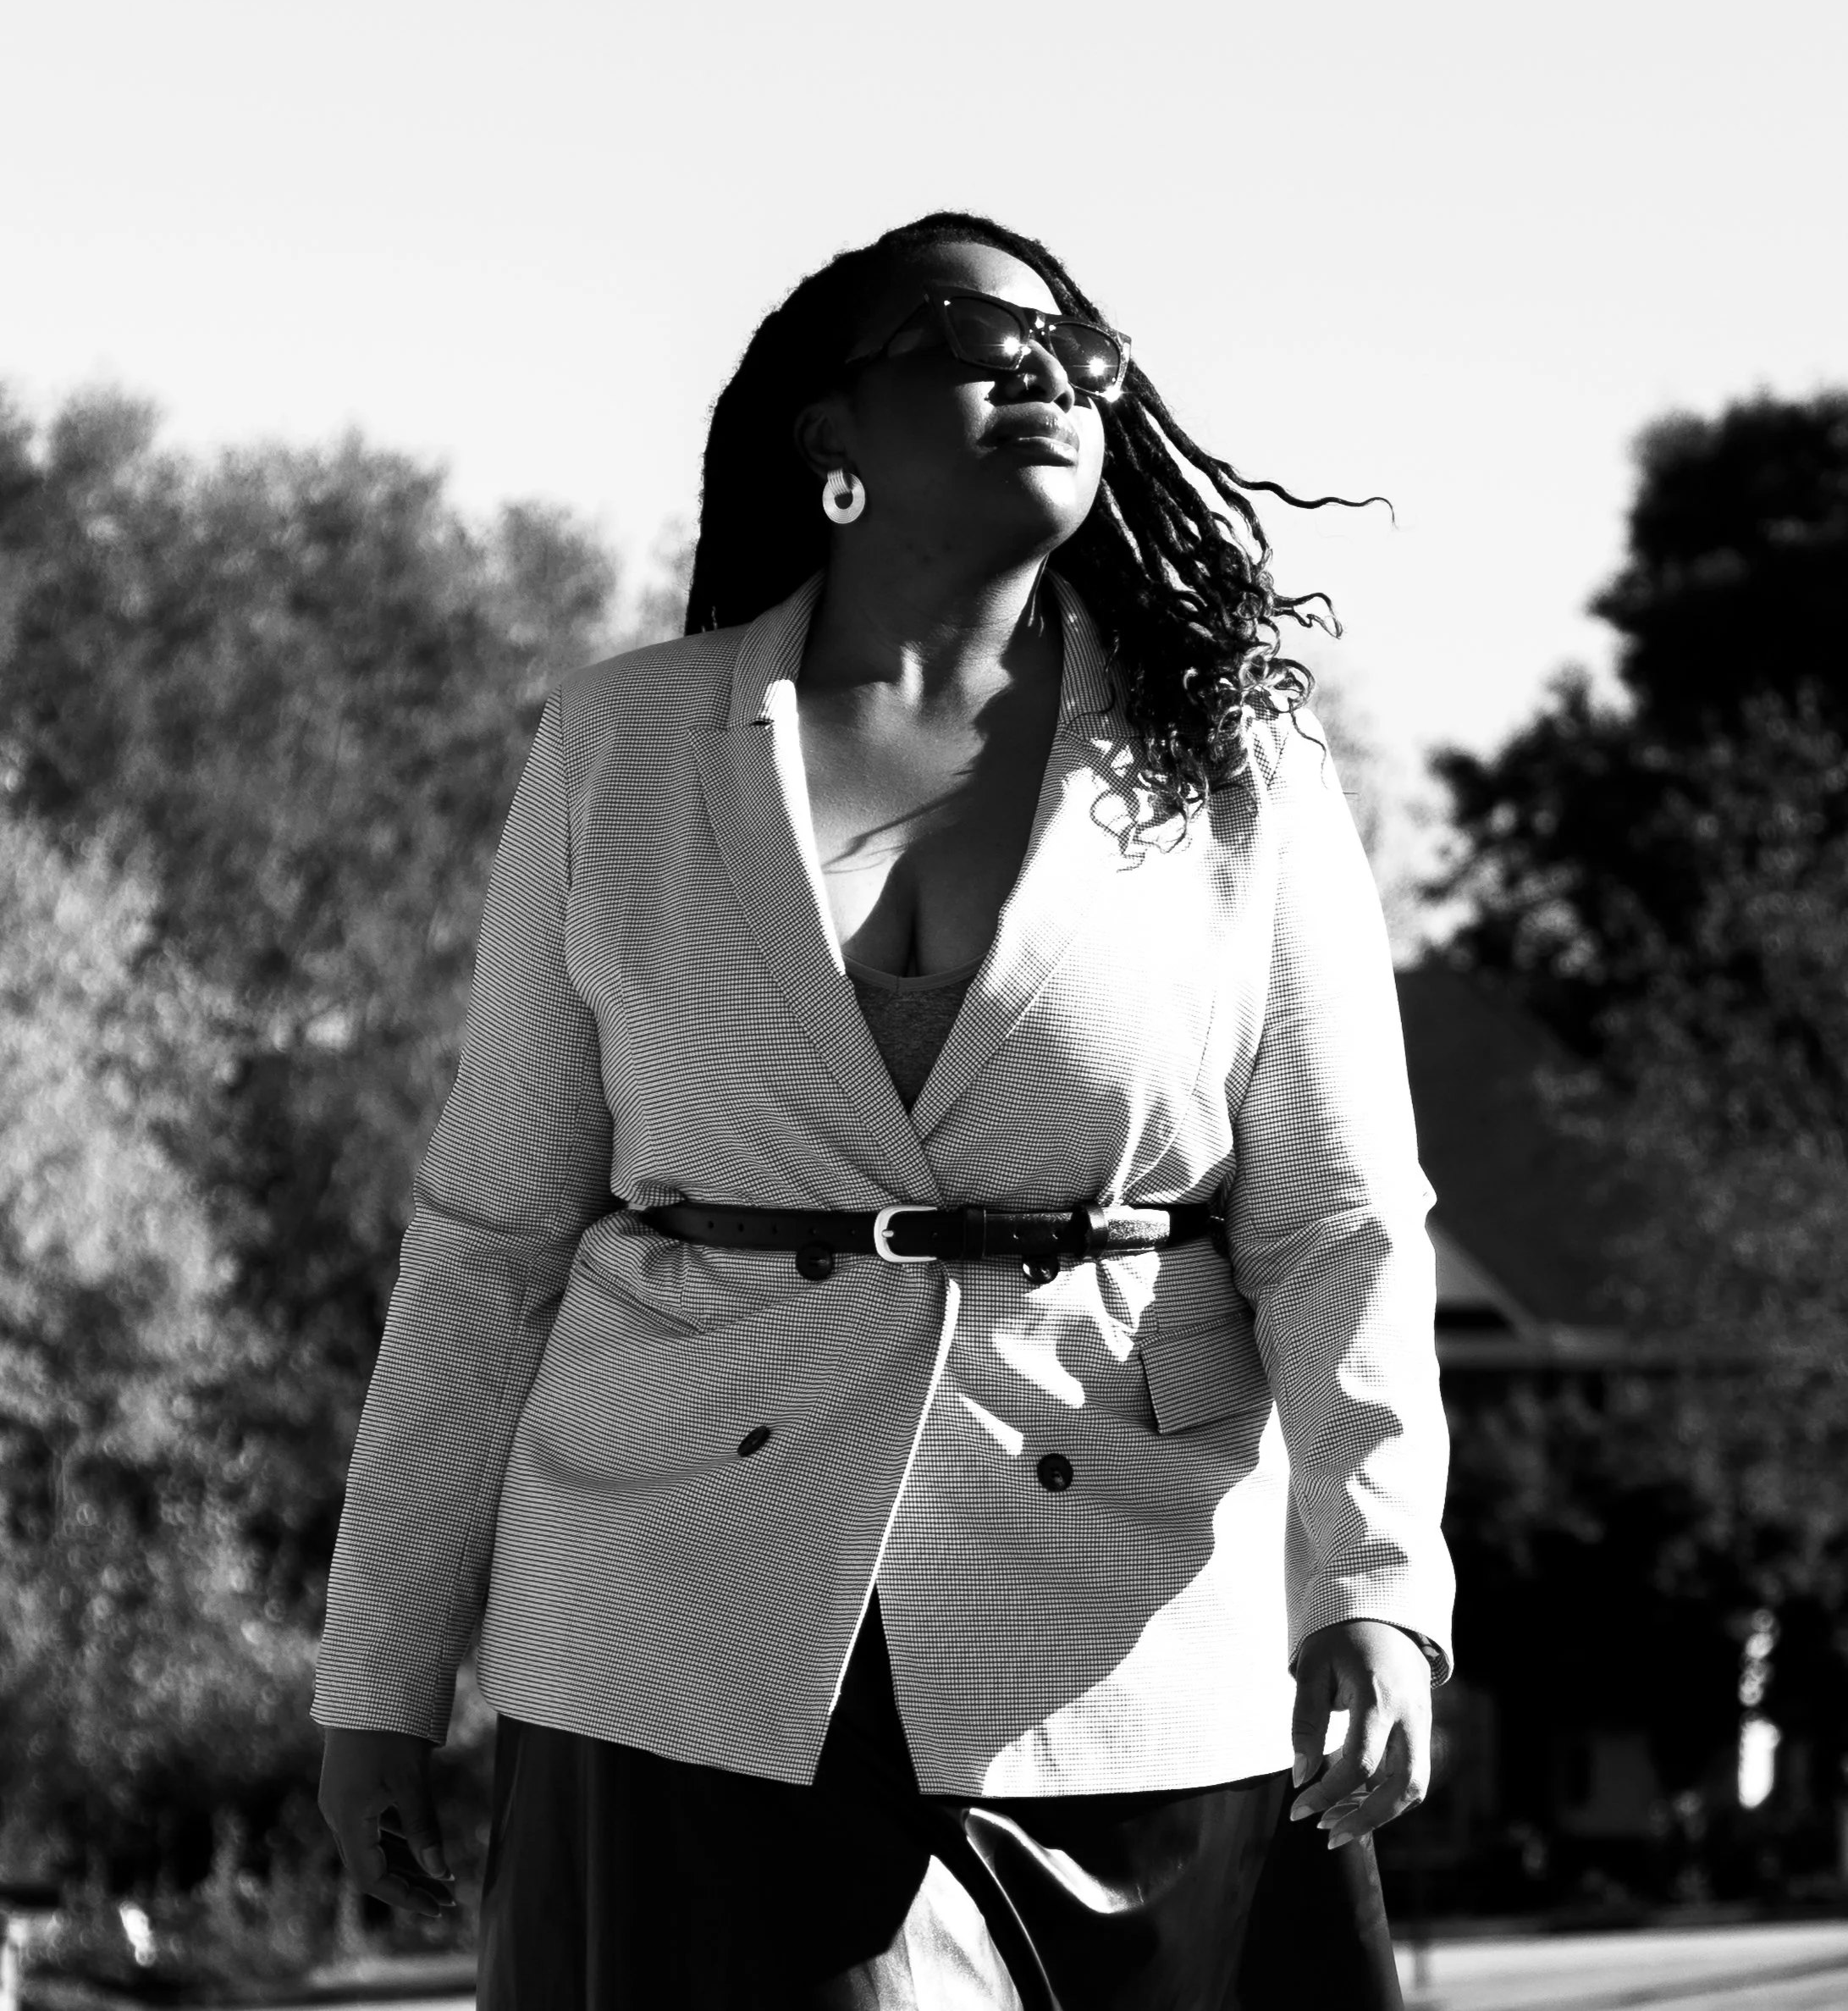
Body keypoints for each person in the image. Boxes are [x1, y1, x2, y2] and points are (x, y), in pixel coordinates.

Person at [314, 209, 1454, 2008]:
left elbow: (1338, 1219)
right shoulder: (620, 745)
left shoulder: (1239, 764)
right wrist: (379, 1668)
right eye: (962, 330)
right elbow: (491, 1234)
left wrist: (1378, 1582)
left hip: (1132, 1639)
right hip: (674, 1630)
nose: (1043, 366)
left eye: (1075, 340)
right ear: (827, 437)